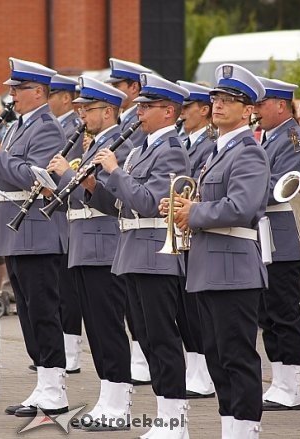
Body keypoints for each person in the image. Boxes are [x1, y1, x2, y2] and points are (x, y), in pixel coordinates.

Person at [87, 73, 191, 438]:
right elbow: (121, 206)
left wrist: (115, 171)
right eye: (139, 106)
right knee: (145, 338)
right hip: (132, 251)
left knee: (162, 338)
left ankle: (175, 420)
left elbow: (150, 203)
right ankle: (165, 416)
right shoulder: (140, 149)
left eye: (146, 108)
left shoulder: (172, 149)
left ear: (168, 111)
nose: (139, 113)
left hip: (155, 254)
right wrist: (93, 187)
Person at [169, 63, 269, 438]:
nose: (219, 105)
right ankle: (231, 427)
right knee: (216, 358)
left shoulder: (249, 152)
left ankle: (245, 431)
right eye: (216, 99)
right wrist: (180, 208)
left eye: (231, 100)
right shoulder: (217, 151)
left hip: (233, 270)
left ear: (248, 110)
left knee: (237, 358)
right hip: (209, 268)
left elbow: (241, 208)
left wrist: (193, 212)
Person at [0, 58, 68, 417]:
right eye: (11, 89)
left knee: (43, 312)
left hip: (37, 230)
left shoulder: (47, 128)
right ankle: (43, 383)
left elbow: (37, 177)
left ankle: (54, 388)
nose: (11, 94)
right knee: (27, 314)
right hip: (15, 227)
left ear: (39, 92)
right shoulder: (16, 127)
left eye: (18, 89)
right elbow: (7, 171)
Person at [46, 76, 134, 431]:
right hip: (82, 243)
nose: (81, 113)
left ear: (109, 111)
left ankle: (120, 401)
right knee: (95, 329)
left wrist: (80, 178)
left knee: (108, 325)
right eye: (80, 108)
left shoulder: (118, 147)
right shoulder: (90, 144)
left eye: (89, 109)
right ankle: (107, 396)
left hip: (104, 245)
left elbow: (116, 201)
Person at [253, 77, 300, 412]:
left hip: (284, 237)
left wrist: (242, 183)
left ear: (280, 106)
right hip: (267, 237)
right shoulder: (271, 137)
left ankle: (292, 386)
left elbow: (282, 184)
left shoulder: (291, 138)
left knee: (283, 313)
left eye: (260, 104)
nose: (256, 111)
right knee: (268, 314)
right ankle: (280, 381)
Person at [104, 57, 154, 385]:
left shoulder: (134, 136)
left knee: (148, 316)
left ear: (133, 88)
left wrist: (112, 172)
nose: (113, 93)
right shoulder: (126, 131)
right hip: (125, 227)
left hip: (141, 230)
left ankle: (142, 359)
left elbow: (144, 195)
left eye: (117, 88)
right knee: (131, 309)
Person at [174, 80, 217, 400]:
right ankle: (194, 369)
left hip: (198, 228)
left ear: (204, 110)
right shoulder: (181, 140)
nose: (182, 113)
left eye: (187, 108)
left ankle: (203, 374)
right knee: (184, 308)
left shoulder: (210, 144)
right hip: (181, 228)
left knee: (196, 308)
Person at [47, 73, 84, 374]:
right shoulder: (56, 126)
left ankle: (71, 348)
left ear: (65, 98)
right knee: (59, 285)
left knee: (69, 288)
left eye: (52, 95)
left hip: (75, 210)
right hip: (59, 210)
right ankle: (62, 343)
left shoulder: (75, 128)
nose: (48, 101)